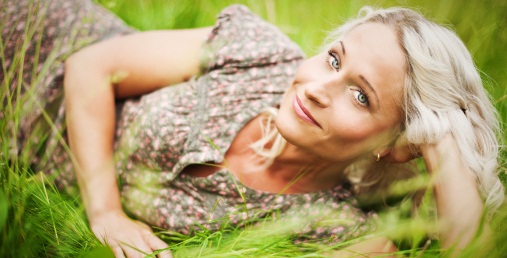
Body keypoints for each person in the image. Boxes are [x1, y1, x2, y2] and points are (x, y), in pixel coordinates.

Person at [3, 0, 504, 257]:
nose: (315, 88)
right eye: (333, 58)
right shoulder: (256, 52)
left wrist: (444, 141)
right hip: (33, 36)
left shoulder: (337, 229)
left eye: (360, 95)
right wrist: (106, 212)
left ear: (396, 146)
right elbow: (91, 66)